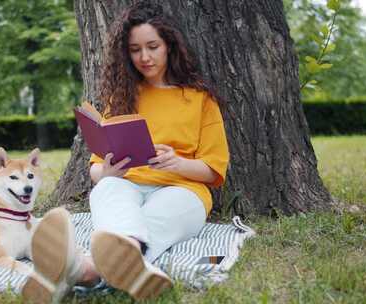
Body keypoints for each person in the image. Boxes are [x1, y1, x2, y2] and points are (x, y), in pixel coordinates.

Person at [22, 2, 229, 303]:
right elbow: (95, 167)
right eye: (135, 49)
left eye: (152, 46)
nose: (144, 57)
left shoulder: (200, 99)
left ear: (169, 46)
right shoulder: (122, 98)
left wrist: (177, 162)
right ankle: (129, 264)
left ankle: (86, 270)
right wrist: (105, 172)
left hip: (183, 190)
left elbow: (214, 170)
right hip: (127, 183)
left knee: (159, 216)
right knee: (107, 190)